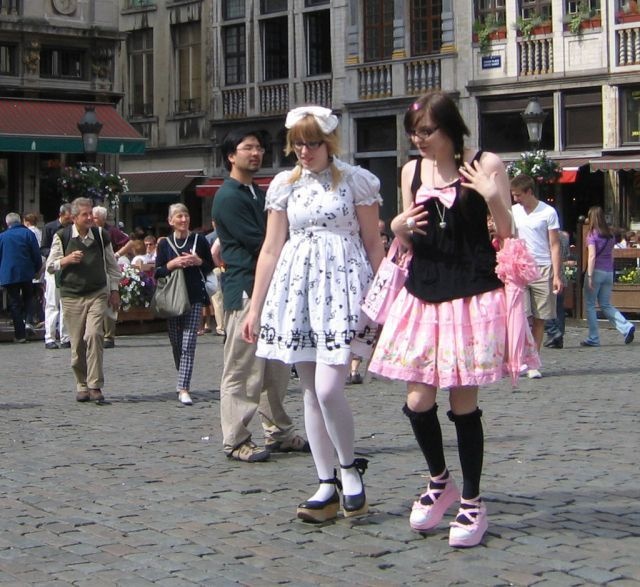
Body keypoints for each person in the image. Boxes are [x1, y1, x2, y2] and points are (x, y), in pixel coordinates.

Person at [368, 91, 515, 548]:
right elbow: (408, 237)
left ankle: (472, 500)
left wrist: (492, 196)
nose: (418, 140)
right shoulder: (411, 172)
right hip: (424, 291)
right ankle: (439, 480)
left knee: (463, 403)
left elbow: (508, 232)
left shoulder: (486, 164)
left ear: (450, 128)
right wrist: (397, 229)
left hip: (470, 293)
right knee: (417, 400)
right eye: (413, 133)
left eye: (426, 131)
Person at [242, 105, 384, 521]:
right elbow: (271, 248)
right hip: (298, 289)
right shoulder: (284, 185)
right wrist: (255, 306)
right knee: (309, 390)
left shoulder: (355, 180)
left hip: (341, 288)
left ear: (329, 143)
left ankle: (348, 468)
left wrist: (385, 296)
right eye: (298, 144)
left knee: (327, 388)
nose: (304, 151)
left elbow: (373, 242)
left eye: (312, 143)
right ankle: (326, 482)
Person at [212, 128, 309, 463]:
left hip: (272, 289)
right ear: (231, 155)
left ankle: (279, 431)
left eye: (259, 148)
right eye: (248, 147)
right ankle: (236, 438)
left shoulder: (258, 192)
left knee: (276, 368)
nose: (256, 153)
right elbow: (262, 243)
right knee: (243, 368)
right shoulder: (228, 196)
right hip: (245, 290)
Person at [45, 198, 121, 403]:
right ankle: (82, 384)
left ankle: (95, 385)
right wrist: (66, 260)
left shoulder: (101, 235)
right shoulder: (62, 236)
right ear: (74, 218)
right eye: (85, 215)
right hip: (71, 295)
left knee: (94, 334)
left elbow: (112, 265)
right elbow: (50, 266)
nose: (90, 218)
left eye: (91, 214)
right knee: (77, 343)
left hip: (97, 292)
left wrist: (114, 290)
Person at [154, 204, 215, 405]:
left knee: (189, 343)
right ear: (171, 221)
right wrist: (171, 265)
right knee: (177, 342)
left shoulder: (199, 240)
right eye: (179, 216)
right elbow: (158, 271)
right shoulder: (165, 244)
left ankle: (183, 388)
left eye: (186, 215)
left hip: (194, 296)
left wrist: (198, 261)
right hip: (173, 298)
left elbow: (210, 266)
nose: (183, 219)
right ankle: (183, 375)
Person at [510, 173, 563, 379]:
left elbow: (554, 244)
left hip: (542, 267)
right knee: (522, 316)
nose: (515, 199)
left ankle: (533, 361)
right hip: (520, 267)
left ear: (529, 192)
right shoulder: (514, 211)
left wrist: (557, 275)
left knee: (540, 318)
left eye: (518, 195)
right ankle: (520, 358)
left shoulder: (548, 212)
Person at [581, 206, 635, 347]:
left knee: (590, 305)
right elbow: (611, 256)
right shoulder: (610, 235)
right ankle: (626, 326)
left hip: (596, 271)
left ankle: (593, 338)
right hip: (608, 272)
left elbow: (592, 256)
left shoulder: (592, 235)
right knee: (605, 304)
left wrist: (590, 275)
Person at [0, 213, 42, 343]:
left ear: (7, 223)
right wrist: (36, 269)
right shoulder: (28, 234)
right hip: (26, 272)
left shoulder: (2, 236)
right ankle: (28, 322)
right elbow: (36, 253)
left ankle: (20, 334)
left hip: (9, 274)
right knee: (29, 298)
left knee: (14, 303)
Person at [92, 206, 130, 349]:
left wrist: (117, 254)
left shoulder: (110, 231)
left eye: (95, 217)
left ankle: (109, 336)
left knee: (109, 303)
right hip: (94, 270)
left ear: (102, 219)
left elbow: (129, 242)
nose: (92, 220)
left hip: (108, 269)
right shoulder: (89, 231)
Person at [41, 203, 73, 350]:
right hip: (54, 268)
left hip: (68, 268)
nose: (69, 221)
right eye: (67, 218)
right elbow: (43, 248)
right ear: (61, 215)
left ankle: (65, 337)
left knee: (66, 304)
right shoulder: (50, 227)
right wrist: (58, 255)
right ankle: (50, 337)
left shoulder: (72, 229)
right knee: (52, 303)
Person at [543, 229, 571, 349]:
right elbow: (566, 255)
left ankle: (554, 333)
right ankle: (559, 336)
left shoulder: (545, 236)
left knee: (545, 306)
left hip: (549, 272)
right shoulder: (565, 236)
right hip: (561, 273)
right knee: (559, 308)